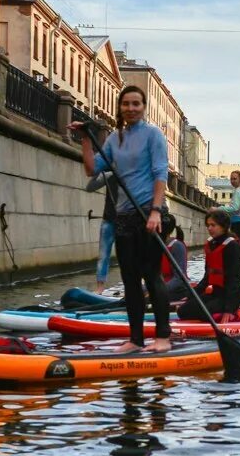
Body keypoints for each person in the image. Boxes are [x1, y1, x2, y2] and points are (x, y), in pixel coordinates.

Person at [70, 86, 172, 354]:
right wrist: (85, 140)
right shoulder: (115, 139)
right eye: (126, 103)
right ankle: (135, 339)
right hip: (124, 217)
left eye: (136, 103)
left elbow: (161, 173)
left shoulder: (153, 135)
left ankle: (163, 336)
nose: (131, 108)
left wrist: (155, 211)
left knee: (152, 276)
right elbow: (92, 170)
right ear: (120, 107)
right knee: (129, 281)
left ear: (143, 106)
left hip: (148, 214)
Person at [177, 209, 240, 322]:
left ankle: (235, 313)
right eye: (208, 225)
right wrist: (191, 295)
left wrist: (229, 309)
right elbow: (207, 277)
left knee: (204, 314)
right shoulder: (211, 245)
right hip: (216, 293)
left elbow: (235, 280)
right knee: (182, 312)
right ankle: (216, 313)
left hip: (232, 296)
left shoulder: (232, 246)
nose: (209, 228)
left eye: (213, 225)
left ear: (224, 226)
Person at [215, 170, 240, 289]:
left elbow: (235, 208)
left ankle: (239, 282)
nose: (233, 181)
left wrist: (219, 209)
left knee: (238, 254)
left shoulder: (238, 191)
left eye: (235, 178)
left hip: (238, 226)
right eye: (231, 179)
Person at [85, 167, 119, 293]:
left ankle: (131, 287)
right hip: (108, 221)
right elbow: (89, 188)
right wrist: (98, 172)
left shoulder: (131, 176)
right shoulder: (109, 175)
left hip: (125, 222)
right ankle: (100, 288)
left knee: (126, 256)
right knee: (103, 256)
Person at [159, 211, 188, 300]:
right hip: (160, 287)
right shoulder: (156, 245)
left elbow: (179, 279)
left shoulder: (177, 246)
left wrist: (158, 290)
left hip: (178, 290)